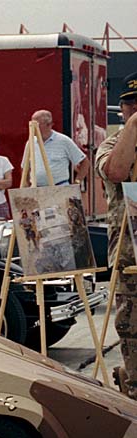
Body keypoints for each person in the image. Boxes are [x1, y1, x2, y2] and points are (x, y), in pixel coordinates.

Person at [97, 71, 137, 398]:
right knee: (134, 339)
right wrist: (134, 129)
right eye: (130, 105)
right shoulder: (112, 143)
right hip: (130, 261)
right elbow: (116, 171)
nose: (135, 109)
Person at [23, 110, 88, 186]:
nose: (33, 128)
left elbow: (84, 162)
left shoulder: (63, 141)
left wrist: (77, 182)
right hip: (36, 189)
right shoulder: (31, 142)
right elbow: (25, 167)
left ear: (49, 125)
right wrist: (26, 185)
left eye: (37, 125)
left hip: (59, 188)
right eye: (32, 124)